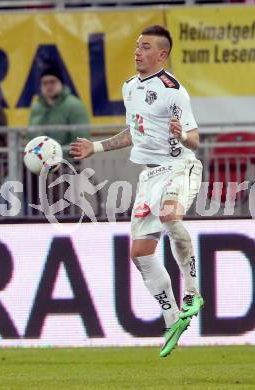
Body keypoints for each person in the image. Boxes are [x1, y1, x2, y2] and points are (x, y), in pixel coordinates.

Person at [70, 25, 204, 358]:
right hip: (149, 177)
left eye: (145, 47)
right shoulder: (130, 87)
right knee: (140, 253)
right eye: (136, 46)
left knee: (171, 214)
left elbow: (195, 139)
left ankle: (193, 293)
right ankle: (172, 316)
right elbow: (135, 132)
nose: (137, 52)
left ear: (162, 54)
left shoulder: (174, 91)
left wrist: (181, 134)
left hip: (180, 168)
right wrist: (96, 148)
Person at [29, 64, 90, 143]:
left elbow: (81, 139)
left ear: (62, 84)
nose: (49, 86)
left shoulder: (74, 106)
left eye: (52, 82)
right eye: (45, 83)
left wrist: (57, 152)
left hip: (65, 155)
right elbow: (29, 136)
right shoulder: (36, 107)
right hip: (40, 154)